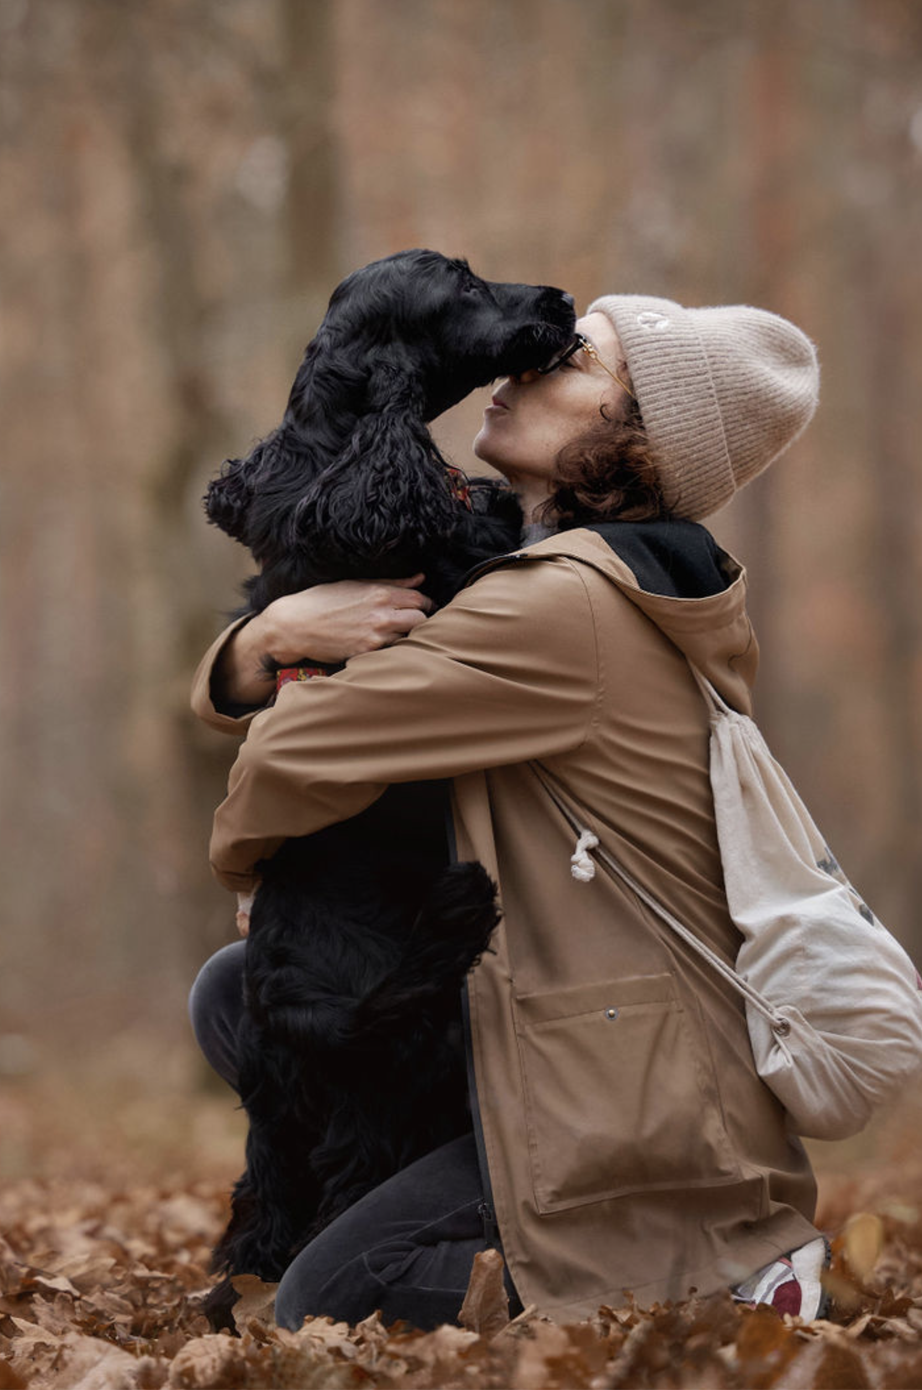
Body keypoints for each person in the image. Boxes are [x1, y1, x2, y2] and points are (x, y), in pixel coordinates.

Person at [185, 294, 826, 1329]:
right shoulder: (559, 571)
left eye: (576, 363)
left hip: (625, 1092)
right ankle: (495, 1213)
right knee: (241, 992)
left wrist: (261, 851)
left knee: (330, 1298)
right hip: (593, 1040)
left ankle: (715, 1287)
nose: (524, 367)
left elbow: (291, 752)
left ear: (633, 441)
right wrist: (267, 640)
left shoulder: (562, 606)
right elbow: (256, 705)